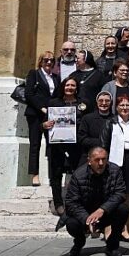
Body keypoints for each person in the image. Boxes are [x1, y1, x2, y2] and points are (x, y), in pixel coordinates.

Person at [64, 147, 129, 256]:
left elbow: (120, 193)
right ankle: (79, 242)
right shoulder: (78, 175)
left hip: (105, 213)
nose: (101, 163)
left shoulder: (115, 170)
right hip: (85, 214)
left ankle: (112, 246)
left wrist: (102, 210)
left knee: (123, 209)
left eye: (104, 159)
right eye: (97, 160)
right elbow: (71, 202)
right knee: (71, 224)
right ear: (89, 161)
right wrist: (87, 219)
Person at [44, 77, 88, 214]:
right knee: (56, 175)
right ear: (63, 87)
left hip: (77, 146)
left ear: (77, 88)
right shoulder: (53, 103)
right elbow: (43, 124)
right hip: (57, 145)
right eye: (67, 85)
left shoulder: (83, 104)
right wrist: (44, 125)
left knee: (78, 175)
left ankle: (75, 203)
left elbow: (86, 122)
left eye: (73, 85)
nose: (70, 88)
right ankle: (58, 203)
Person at [101, 94, 129, 242]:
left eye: (127, 105)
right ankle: (108, 228)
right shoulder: (110, 123)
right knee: (112, 195)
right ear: (116, 107)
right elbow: (104, 145)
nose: (125, 108)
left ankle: (123, 229)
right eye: (121, 105)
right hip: (115, 162)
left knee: (128, 195)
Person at [25, 51, 60, 187]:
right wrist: (42, 108)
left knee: (52, 146)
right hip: (35, 114)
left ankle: (53, 176)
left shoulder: (56, 78)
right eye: (46, 60)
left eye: (52, 60)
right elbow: (29, 94)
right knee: (35, 144)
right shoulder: (34, 74)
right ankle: (35, 175)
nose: (49, 63)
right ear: (41, 61)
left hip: (51, 115)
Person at [78, 91, 114, 165]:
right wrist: (102, 142)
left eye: (107, 101)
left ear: (111, 103)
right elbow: (82, 139)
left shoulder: (116, 119)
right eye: (101, 100)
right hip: (89, 156)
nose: (104, 103)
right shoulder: (87, 118)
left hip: (110, 157)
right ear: (96, 102)